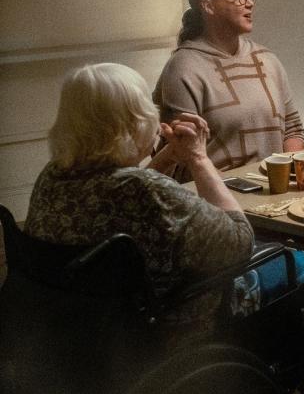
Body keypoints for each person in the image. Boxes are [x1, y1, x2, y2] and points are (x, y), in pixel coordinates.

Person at [25, 62, 254, 336]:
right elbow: (239, 242)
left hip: (78, 333)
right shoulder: (145, 190)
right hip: (163, 332)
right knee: (296, 264)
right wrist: (198, 157)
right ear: (134, 121)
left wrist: (167, 157)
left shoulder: (52, 177)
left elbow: (125, 197)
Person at [153, 0, 304, 182]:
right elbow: (185, 153)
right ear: (208, 6)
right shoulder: (183, 68)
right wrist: (239, 191)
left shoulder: (267, 59)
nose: (249, 3)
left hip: (273, 194)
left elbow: (292, 128)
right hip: (217, 199)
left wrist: (290, 174)